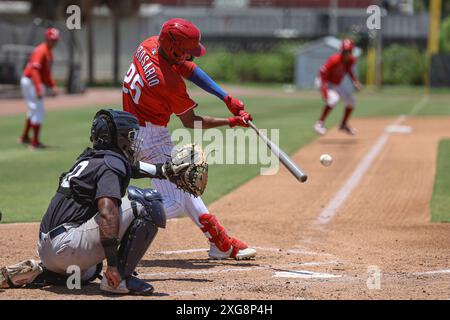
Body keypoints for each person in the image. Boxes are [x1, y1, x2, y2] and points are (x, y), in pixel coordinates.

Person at [1, 109, 193, 295]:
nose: (134, 141)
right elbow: (107, 212)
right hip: (67, 246)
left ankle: (41, 271)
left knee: (89, 270)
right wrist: (113, 265)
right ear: (118, 138)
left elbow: (131, 168)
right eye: (131, 135)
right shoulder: (111, 165)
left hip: (48, 249)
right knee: (146, 202)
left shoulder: (92, 158)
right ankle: (120, 281)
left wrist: (165, 171)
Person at [122, 18, 257, 260]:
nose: (190, 56)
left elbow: (189, 69)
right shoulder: (169, 83)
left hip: (129, 128)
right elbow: (191, 122)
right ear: (174, 49)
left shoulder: (148, 44)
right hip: (151, 137)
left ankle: (220, 242)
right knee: (173, 202)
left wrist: (226, 98)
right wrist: (231, 122)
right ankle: (112, 214)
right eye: (186, 52)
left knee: (184, 183)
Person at [18, 28, 60, 149]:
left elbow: (46, 74)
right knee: (38, 109)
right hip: (31, 81)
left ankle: (25, 137)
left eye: (55, 40)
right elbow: (35, 71)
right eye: (52, 40)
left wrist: (52, 85)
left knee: (33, 109)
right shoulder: (41, 51)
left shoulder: (48, 52)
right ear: (46, 39)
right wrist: (38, 89)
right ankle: (34, 142)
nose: (54, 42)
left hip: (31, 81)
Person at [314, 38, 363, 136]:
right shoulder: (334, 59)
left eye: (348, 51)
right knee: (333, 99)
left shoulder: (351, 60)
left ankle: (343, 124)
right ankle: (319, 124)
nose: (346, 53)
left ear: (352, 51)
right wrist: (324, 90)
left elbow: (349, 71)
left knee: (351, 101)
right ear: (341, 51)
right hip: (324, 81)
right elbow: (322, 72)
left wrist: (355, 81)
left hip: (335, 84)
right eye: (345, 51)